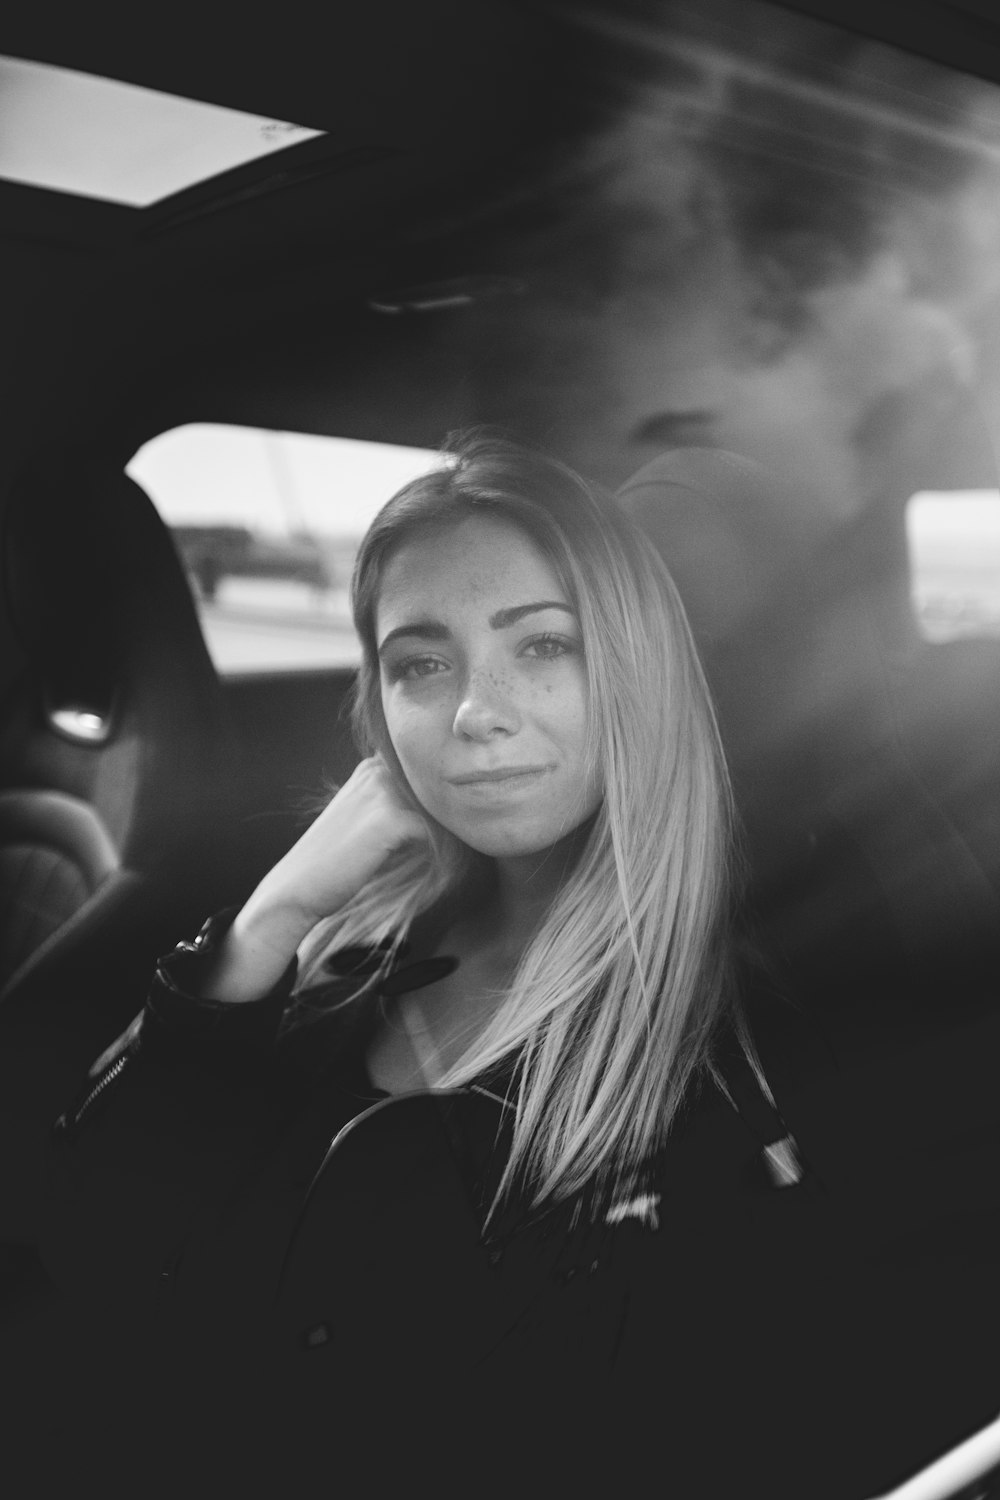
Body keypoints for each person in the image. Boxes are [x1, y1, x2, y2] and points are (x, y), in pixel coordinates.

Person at [12, 433, 1000, 1497]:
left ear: (638, 674)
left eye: (542, 647)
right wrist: (271, 922)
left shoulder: (770, 1022)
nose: (475, 714)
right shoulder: (334, 959)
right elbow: (94, 1253)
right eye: (421, 664)